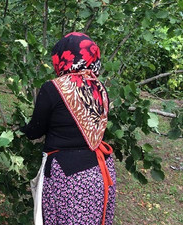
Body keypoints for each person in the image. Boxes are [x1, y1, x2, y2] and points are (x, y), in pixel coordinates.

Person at [21, 32, 116, 225]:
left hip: (68, 177)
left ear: (63, 57)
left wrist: (19, 130)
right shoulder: (100, 88)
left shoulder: (53, 88)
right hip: (99, 171)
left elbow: (35, 131)